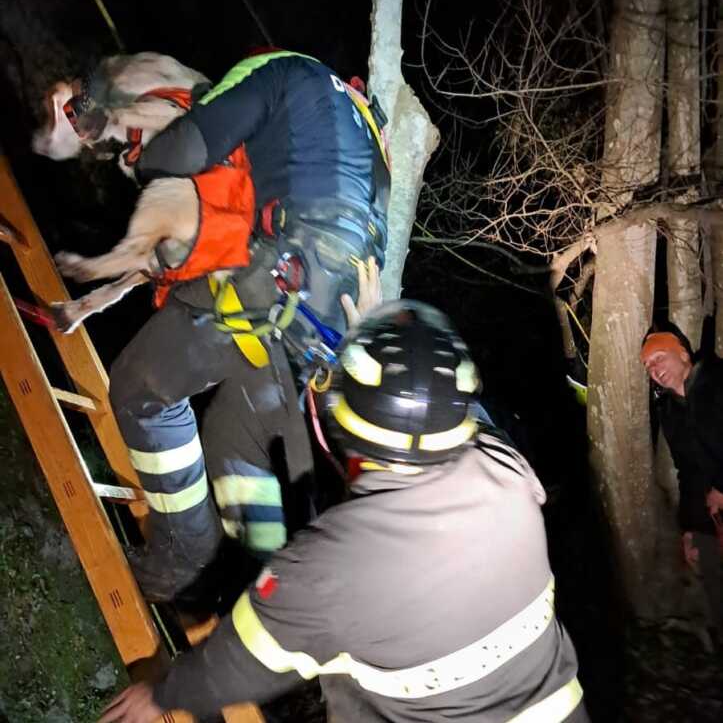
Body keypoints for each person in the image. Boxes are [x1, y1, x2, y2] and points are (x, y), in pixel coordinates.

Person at [100, 301, 588, 723]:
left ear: (346, 421)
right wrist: (399, 351)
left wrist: (160, 693)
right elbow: (462, 419)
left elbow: (242, 661)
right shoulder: (508, 476)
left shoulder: (331, 565)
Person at [110, 48, 390, 601]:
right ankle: (255, 597)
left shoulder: (284, 73)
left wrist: (143, 158)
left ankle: (183, 554)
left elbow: (191, 144)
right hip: (335, 327)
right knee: (239, 441)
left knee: (142, 390)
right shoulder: (372, 144)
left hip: (276, 284)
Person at [640, 328, 723, 638]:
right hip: (710, 514)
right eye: (648, 365)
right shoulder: (670, 411)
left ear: (684, 354)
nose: (654, 369)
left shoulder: (717, 381)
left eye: (659, 358)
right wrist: (690, 527)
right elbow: (686, 471)